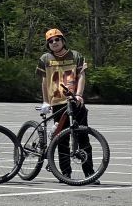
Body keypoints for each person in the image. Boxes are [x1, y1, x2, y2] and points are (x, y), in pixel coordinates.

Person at [36, 28, 96, 183]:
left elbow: (81, 75)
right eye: (50, 41)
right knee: (62, 139)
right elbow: (44, 81)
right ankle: (65, 174)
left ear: (63, 40)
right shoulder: (45, 58)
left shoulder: (76, 55)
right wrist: (45, 101)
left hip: (74, 101)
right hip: (57, 103)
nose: (54, 43)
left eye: (57, 39)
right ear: (47, 44)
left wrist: (79, 94)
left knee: (83, 137)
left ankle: (89, 173)